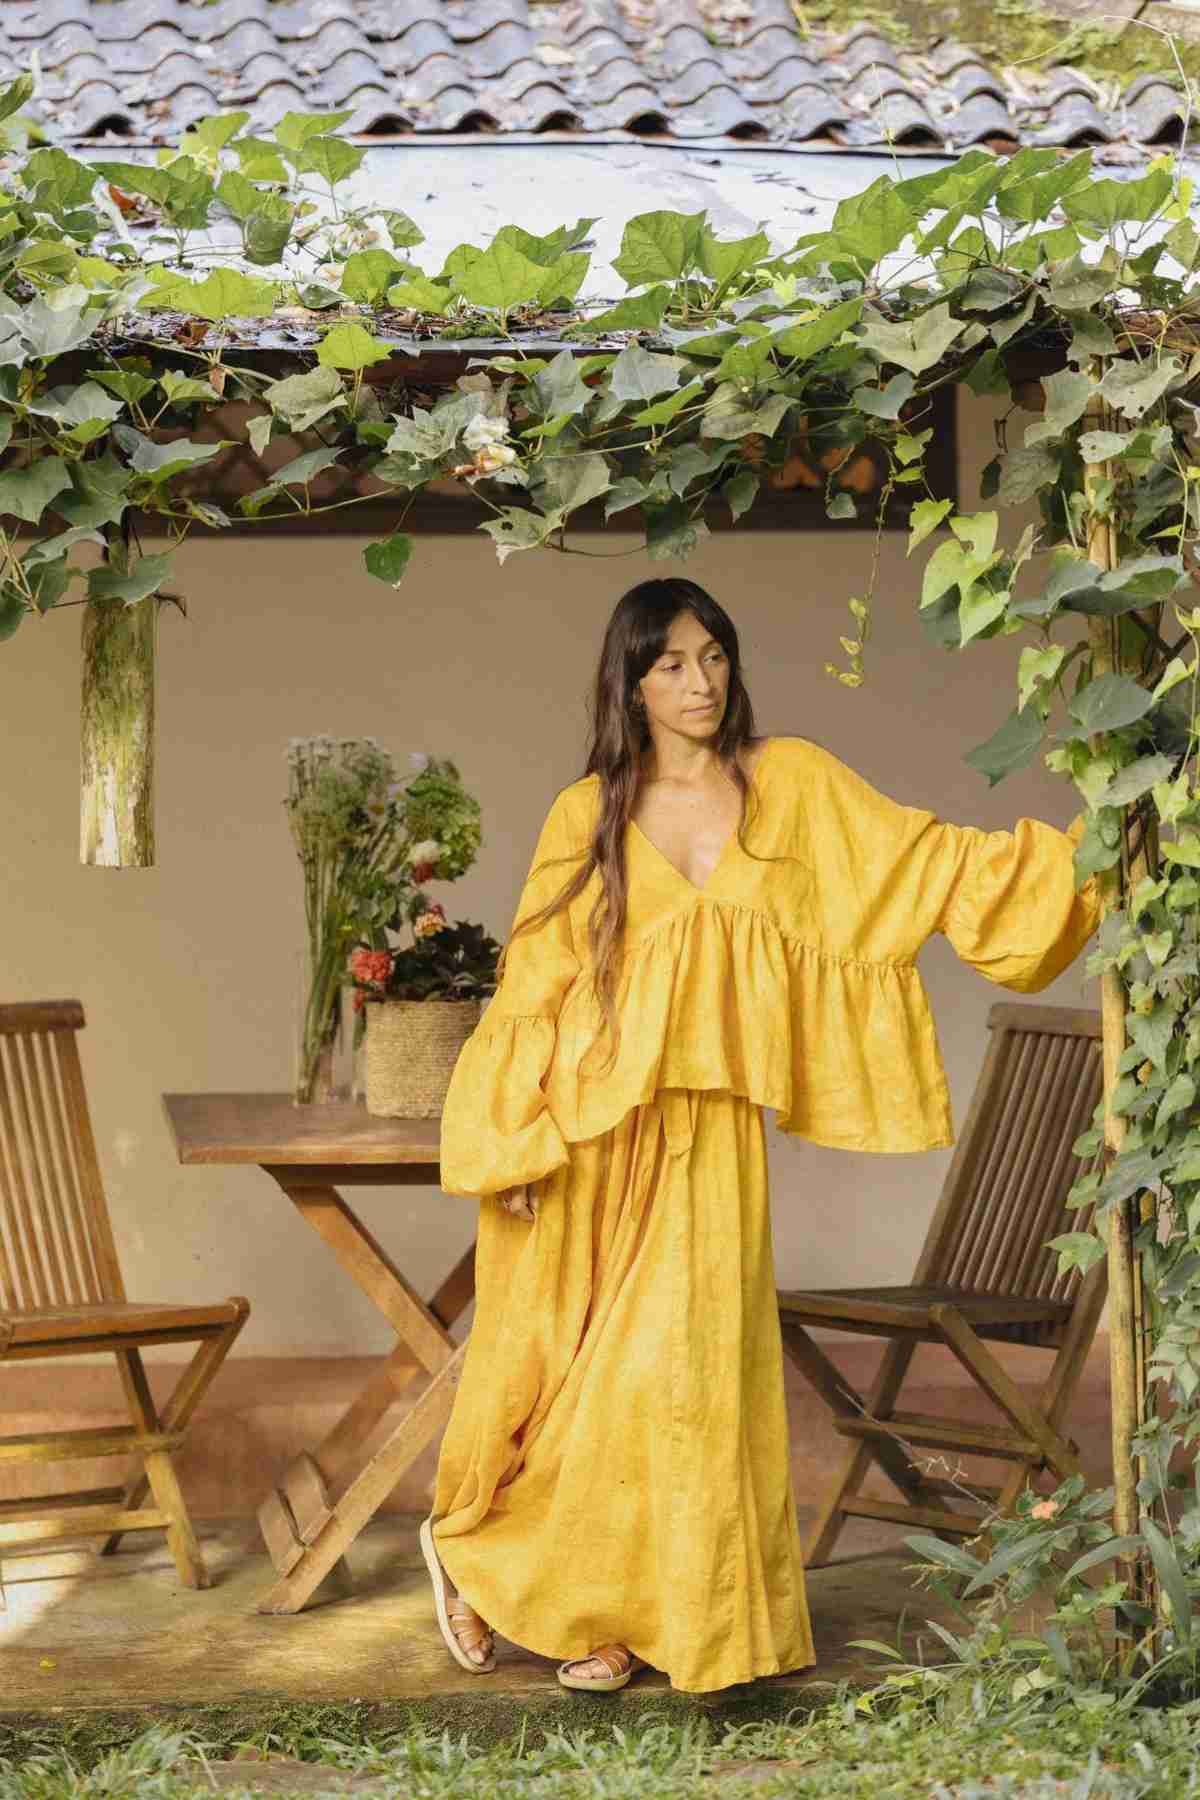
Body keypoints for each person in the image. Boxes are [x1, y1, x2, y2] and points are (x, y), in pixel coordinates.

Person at [418, 576, 1102, 1696]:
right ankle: (559, 1591)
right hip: (597, 1126)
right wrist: (519, 1135)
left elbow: (928, 863)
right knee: (584, 1368)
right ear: (630, 683)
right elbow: (533, 986)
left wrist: (1089, 843)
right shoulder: (586, 813)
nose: (699, 682)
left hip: (714, 1130)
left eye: (714, 656)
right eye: (671, 663)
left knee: (686, 1376)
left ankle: (644, 1610)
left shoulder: (791, 782)